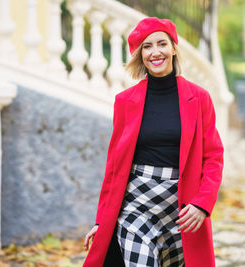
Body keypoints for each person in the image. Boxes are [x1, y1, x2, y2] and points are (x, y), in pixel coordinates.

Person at [83, 17, 224, 267]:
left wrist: (202, 204)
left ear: (173, 49)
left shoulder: (199, 98)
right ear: (140, 55)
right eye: (147, 46)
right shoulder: (125, 101)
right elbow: (114, 167)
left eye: (161, 44)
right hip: (136, 208)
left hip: (182, 212)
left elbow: (213, 157)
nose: (155, 52)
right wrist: (101, 221)